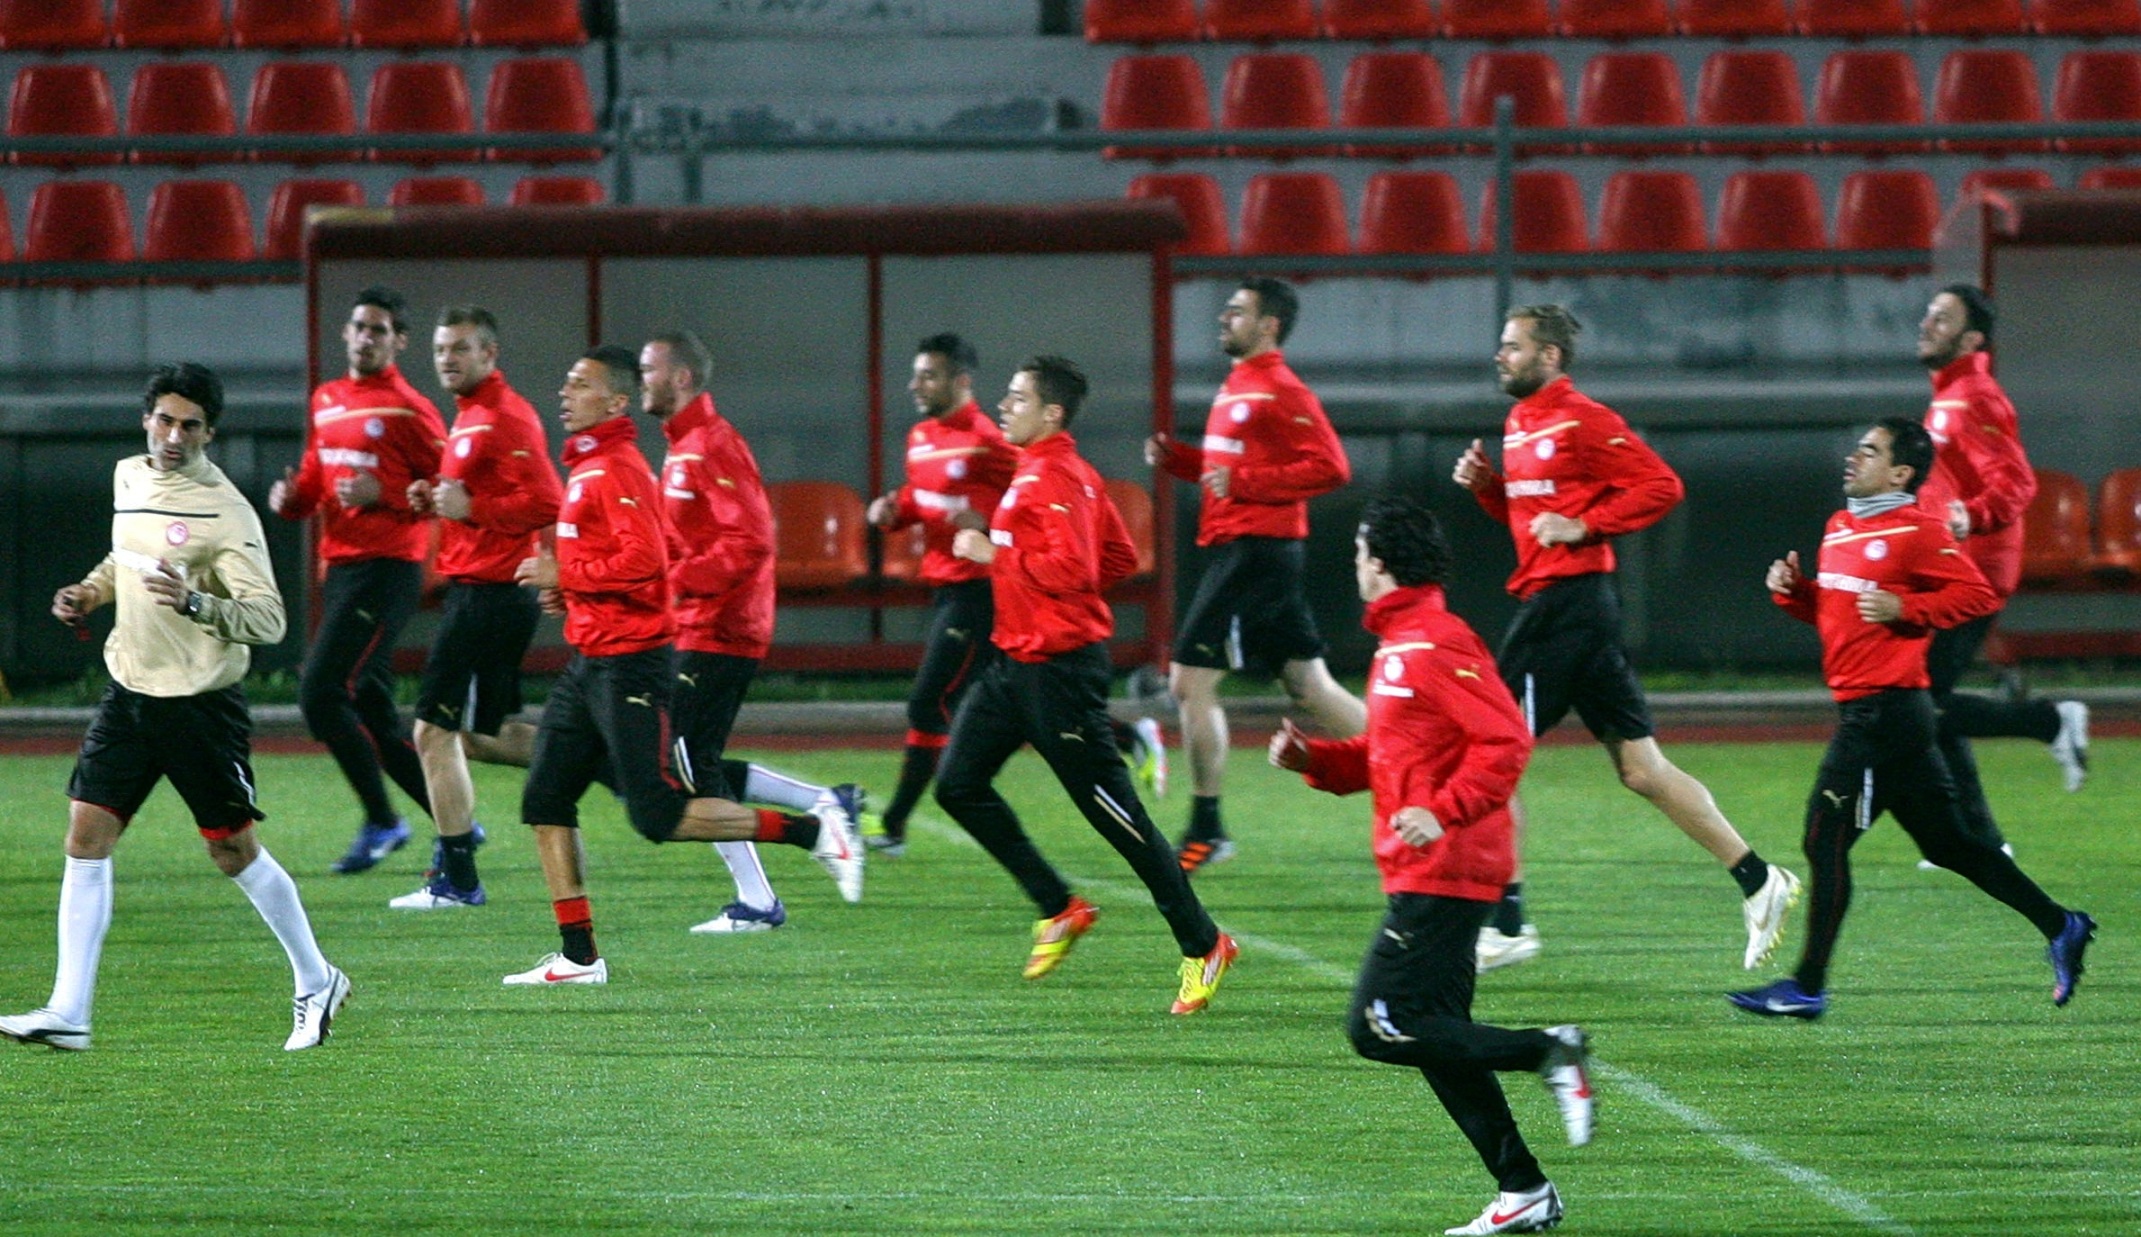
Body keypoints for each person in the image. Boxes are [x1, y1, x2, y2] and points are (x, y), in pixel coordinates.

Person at [1, 364, 349, 1052]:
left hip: (198, 706)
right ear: (145, 420)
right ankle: (69, 1009)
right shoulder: (129, 477)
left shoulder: (226, 511)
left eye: (190, 425)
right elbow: (125, 558)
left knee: (232, 850)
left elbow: (270, 618)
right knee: (85, 835)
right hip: (129, 692)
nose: (173, 435)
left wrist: (196, 603)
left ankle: (317, 978)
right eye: (164, 419)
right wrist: (91, 591)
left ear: (209, 433)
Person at [1269, 495, 1591, 1237]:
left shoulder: (1435, 640)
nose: (1354, 566)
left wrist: (1444, 811)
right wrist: (1313, 759)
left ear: (1380, 563)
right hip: (1427, 863)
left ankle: (1547, 1050)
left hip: (1448, 863)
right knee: (1439, 1038)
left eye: (1359, 553)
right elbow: (1389, 758)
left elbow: (1506, 739)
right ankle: (1523, 1188)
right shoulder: (1401, 644)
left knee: (1378, 1025)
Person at [1454, 304, 1800, 973]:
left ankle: (1507, 923)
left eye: (1512, 345)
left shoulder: (1583, 418)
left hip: (1567, 606)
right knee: (1642, 770)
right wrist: (1491, 490)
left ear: (1549, 356)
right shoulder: (1519, 422)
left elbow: (1660, 486)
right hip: (1566, 606)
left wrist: (1584, 526)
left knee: (1485, 753)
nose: (1500, 355)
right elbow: (1534, 520)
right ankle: (1760, 880)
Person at [502, 347, 862, 985]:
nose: (564, 392)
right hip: (590, 660)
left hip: (630, 663)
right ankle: (579, 956)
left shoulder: (618, 466)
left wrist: (570, 576)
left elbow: (647, 560)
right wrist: (570, 590)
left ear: (615, 402)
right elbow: (636, 553)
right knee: (546, 799)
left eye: (580, 384)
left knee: (659, 815)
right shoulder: (591, 465)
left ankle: (813, 833)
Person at [1730, 419, 2095, 1020]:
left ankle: (1808, 985)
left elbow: (1976, 596)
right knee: (1952, 846)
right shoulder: (1841, 525)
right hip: (1884, 712)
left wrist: (1908, 606)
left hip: (1883, 714)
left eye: (1870, 451)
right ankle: (2063, 925)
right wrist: (1794, 592)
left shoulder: (1919, 529)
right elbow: (1840, 615)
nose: (1855, 457)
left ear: (1900, 473)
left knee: (1824, 839)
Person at [936, 355, 1237, 1015]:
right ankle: (1058, 907)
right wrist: (1037, 581)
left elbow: (1073, 569)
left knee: (1117, 818)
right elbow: (1119, 557)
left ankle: (1205, 941)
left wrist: (996, 556)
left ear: (1052, 413)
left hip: (1059, 673)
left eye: (1017, 398)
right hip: (1013, 665)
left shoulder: (1055, 475)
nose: (1003, 405)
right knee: (957, 785)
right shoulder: (1050, 472)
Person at [642, 329, 868, 934]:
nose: (642, 381)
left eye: (649, 369)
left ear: (681, 377)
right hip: (697, 622)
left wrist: (674, 584)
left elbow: (748, 541)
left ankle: (765, 893)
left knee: (687, 763)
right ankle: (823, 805)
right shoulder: (684, 445)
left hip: (722, 625)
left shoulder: (713, 444)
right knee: (689, 758)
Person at [1145, 277, 1362, 873]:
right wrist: (1182, 461)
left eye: (1237, 311)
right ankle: (1417, 764)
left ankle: (1207, 827)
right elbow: (1230, 467)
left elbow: (1332, 467)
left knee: (1190, 683)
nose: (1224, 317)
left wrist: (1243, 483)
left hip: (1256, 550)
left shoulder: (1282, 387)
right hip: (1243, 548)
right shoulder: (1239, 382)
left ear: (1269, 325)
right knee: (1309, 687)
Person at [388, 306, 562, 910]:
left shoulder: (504, 415)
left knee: (432, 731)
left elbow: (547, 500)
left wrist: (472, 510)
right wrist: (437, 501)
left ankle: (458, 877)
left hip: (490, 594)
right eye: (440, 349)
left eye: (460, 348)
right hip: (481, 590)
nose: (446, 359)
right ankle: (599, 754)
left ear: (490, 354)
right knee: (484, 736)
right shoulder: (471, 415)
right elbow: (476, 496)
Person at [270, 285, 447, 874]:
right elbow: (317, 478)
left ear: (399, 342)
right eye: (359, 327)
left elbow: (451, 489)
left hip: (388, 570)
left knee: (320, 693)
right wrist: (292, 499)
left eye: (379, 330)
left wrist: (387, 493)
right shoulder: (327, 399)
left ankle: (383, 819)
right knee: (371, 707)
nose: (366, 338)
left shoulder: (409, 408)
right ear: (345, 334)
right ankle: (455, 822)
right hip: (342, 571)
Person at [1913, 285, 2088, 871]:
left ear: (1971, 339)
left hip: (1975, 572)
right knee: (1927, 701)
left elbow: (2017, 482)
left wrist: (1972, 515)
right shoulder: (1951, 396)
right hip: (1954, 566)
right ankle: (1979, 841)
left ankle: (2050, 720)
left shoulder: (1976, 397)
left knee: (1917, 701)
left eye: (1942, 318)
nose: (1927, 323)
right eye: (1929, 313)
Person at [864, 333, 1022, 855]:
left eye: (928, 376)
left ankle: (894, 824)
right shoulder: (920, 436)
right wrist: (893, 511)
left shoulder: (988, 439)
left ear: (961, 381)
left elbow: (1032, 494)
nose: (915, 385)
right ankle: (1128, 737)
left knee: (928, 702)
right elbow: (923, 496)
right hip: (945, 584)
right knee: (1017, 701)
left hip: (980, 588)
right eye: (916, 375)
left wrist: (991, 520)